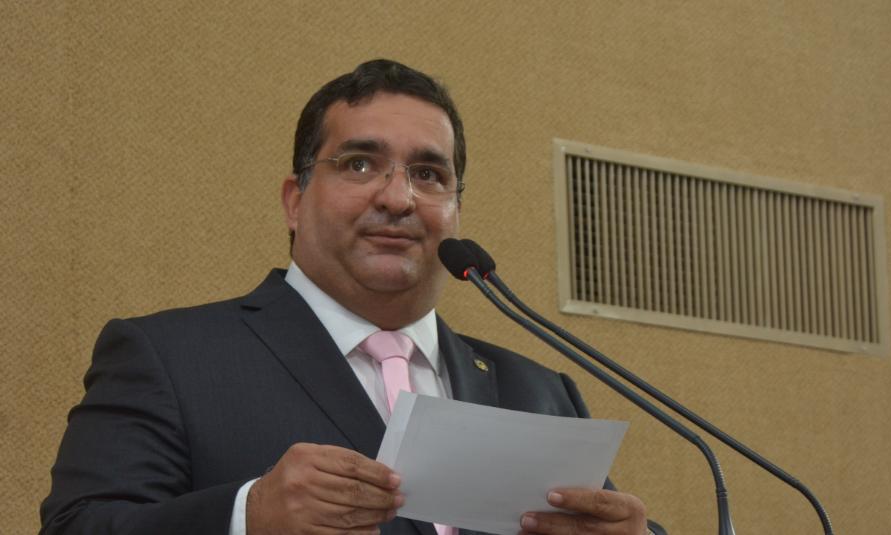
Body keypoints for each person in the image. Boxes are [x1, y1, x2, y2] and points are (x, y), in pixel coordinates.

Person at [41, 59, 654, 535]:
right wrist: (248, 515)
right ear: (294, 200)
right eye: (360, 164)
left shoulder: (540, 393)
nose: (398, 198)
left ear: (456, 211)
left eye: (429, 174)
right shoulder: (171, 358)